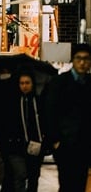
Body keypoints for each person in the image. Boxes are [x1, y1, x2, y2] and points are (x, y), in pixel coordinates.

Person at [44, 42, 91, 191]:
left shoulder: (89, 84)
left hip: (85, 143)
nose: (82, 63)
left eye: (86, 59)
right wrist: (55, 140)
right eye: (79, 58)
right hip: (65, 143)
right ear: (73, 60)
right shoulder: (60, 82)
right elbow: (49, 111)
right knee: (66, 182)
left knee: (80, 182)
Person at [0, 69, 45, 192]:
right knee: (20, 176)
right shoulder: (13, 102)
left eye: (27, 83)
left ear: (32, 84)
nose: (24, 86)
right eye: (22, 83)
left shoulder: (39, 101)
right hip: (16, 146)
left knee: (34, 178)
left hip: (36, 146)